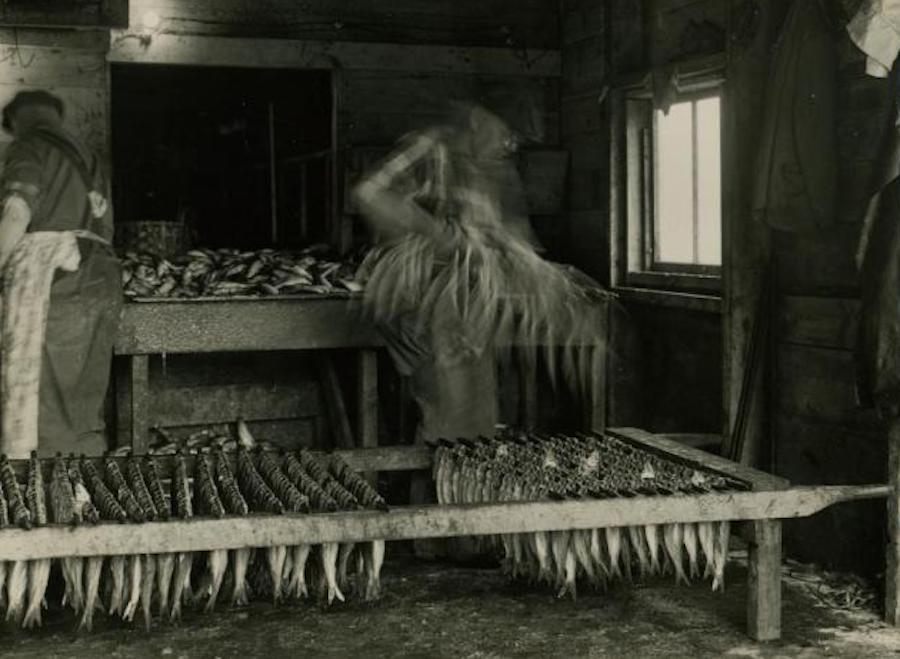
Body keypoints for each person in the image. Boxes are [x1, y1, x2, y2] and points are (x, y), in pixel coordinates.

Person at [353, 92, 602, 557]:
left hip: (464, 303)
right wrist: (439, 236)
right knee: (457, 403)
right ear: (476, 117)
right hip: (415, 296)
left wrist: (549, 280)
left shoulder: (497, 174)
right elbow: (369, 194)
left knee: (469, 407)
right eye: (504, 131)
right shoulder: (432, 147)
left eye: (516, 140)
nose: (509, 144)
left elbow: (514, 244)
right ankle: (452, 538)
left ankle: (448, 532)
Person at [0, 90, 122, 457]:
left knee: (45, 398)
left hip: (59, 279)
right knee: (84, 402)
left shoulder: (27, 146)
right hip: (101, 275)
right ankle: (87, 494)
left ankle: (47, 502)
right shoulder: (90, 157)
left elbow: (17, 214)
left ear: (15, 121)